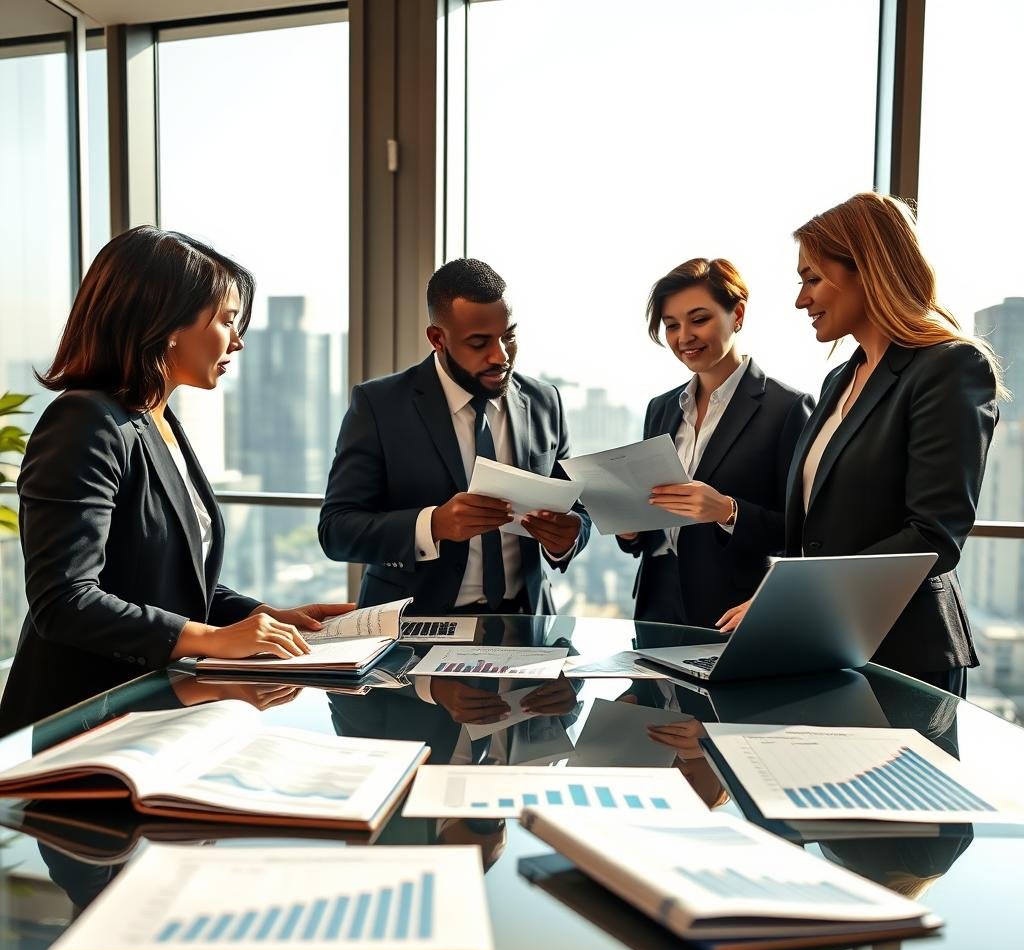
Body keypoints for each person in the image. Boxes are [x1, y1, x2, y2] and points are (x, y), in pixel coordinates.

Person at [0, 226, 352, 736]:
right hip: (81, 719)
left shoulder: (157, 420)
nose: (238, 339)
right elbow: (66, 601)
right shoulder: (85, 421)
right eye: (227, 320)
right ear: (165, 322)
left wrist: (265, 617)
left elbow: (166, 578)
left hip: (152, 707)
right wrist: (211, 639)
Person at [718, 192, 1002, 696]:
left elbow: (934, 534)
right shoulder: (839, 382)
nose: (800, 299)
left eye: (811, 279)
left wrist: (797, 603)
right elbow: (818, 528)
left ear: (868, 269)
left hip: (903, 656)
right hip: (825, 648)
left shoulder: (949, 366)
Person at [318, 257, 591, 614]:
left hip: (527, 624)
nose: (501, 355)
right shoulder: (379, 405)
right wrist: (433, 524)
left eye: (509, 335)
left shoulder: (544, 400)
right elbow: (337, 531)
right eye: (479, 343)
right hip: (413, 624)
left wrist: (569, 537)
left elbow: (576, 509)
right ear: (437, 339)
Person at [616, 258, 813, 627]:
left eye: (699, 319)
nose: (683, 336)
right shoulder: (661, 408)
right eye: (671, 325)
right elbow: (654, 522)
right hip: (657, 604)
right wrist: (630, 529)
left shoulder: (787, 408)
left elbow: (802, 532)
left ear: (737, 315)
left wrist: (727, 510)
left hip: (735, 608)